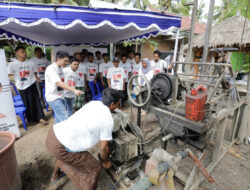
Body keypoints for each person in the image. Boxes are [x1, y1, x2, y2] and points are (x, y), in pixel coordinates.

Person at [46, 88, 123, 189]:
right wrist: (105, 162)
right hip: (61, 147)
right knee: (95, 168)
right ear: (112, 104)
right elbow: (103, 149)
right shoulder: (108, 120)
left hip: (53, 135)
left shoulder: (93, 103)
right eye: (118, 104)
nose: (119, 106)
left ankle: (56, 176)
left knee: (64, 155)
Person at [8, 46, 48, 125]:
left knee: (36, 101)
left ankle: (41, 118)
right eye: (22, 51)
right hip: (21, 87)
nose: (25, 53)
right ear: (17, 53)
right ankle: (31, 120)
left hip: (31, 84)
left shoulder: (30, 62)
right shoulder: (12, 64)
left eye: (25, 51)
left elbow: (35, 72)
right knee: (27, 103)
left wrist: (33, 78)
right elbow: (9, 74)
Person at [45, 51, 83, 123]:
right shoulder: (51, 69)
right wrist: (74, 90)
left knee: (58, 118)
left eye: (67, 61)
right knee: (65, 117)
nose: (66, 63)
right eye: (65, 61)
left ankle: (56, 132)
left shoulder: (61, 68)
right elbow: (59, 83)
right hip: (53, 97)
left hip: (60, 96)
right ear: (58, 59)